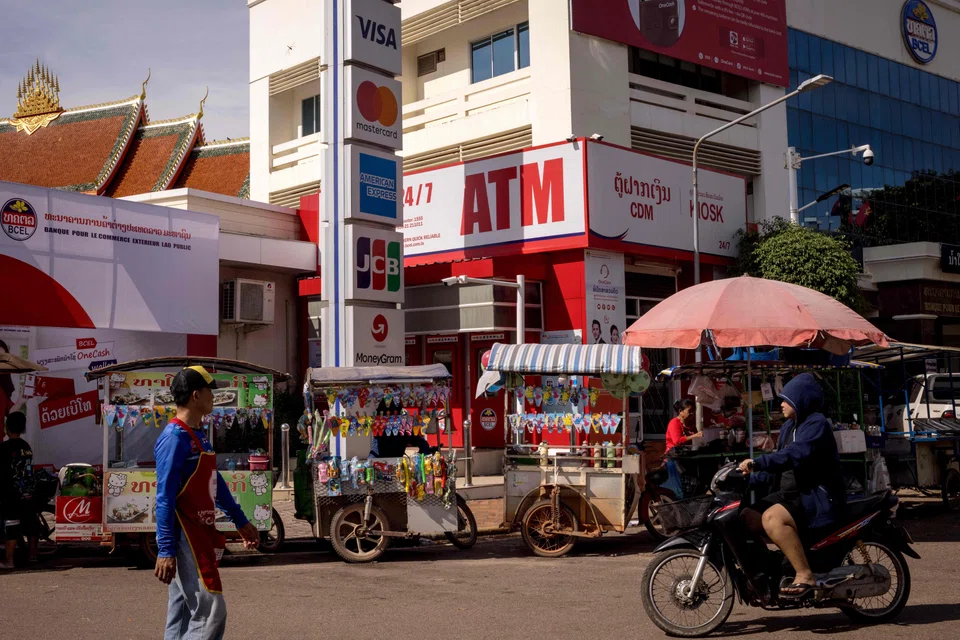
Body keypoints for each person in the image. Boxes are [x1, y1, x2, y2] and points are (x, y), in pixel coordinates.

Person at [154, 366, 260, 639]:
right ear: (195, 395)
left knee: (182, 614)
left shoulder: (199, 435)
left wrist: (240, 520)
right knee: (211, 610)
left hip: (200, 532)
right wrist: (165, 550)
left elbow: (216, 484)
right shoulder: (174, 438)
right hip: (185, 537)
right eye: (210, 390)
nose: (215, 395)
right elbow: (164, 497)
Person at [738, 372, 846, 600]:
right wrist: (747, 476)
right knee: (746, 516)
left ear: (801, 399)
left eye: (787, 399)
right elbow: (779, 464)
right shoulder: (789, 427)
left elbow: (795, 454)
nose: (782, 403)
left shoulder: (816, 424)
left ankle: (805, 573)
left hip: (813, 495)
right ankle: (770, 569)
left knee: (771, 518)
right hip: (790, 493)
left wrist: (758, 463)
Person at [0, 412, 37, 569]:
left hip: (11, 493)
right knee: (31, 523)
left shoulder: (4, 448)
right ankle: (33, 555)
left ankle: (9, 560)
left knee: (12, 526)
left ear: (7, 428)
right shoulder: (26, 447)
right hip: (27, 492)